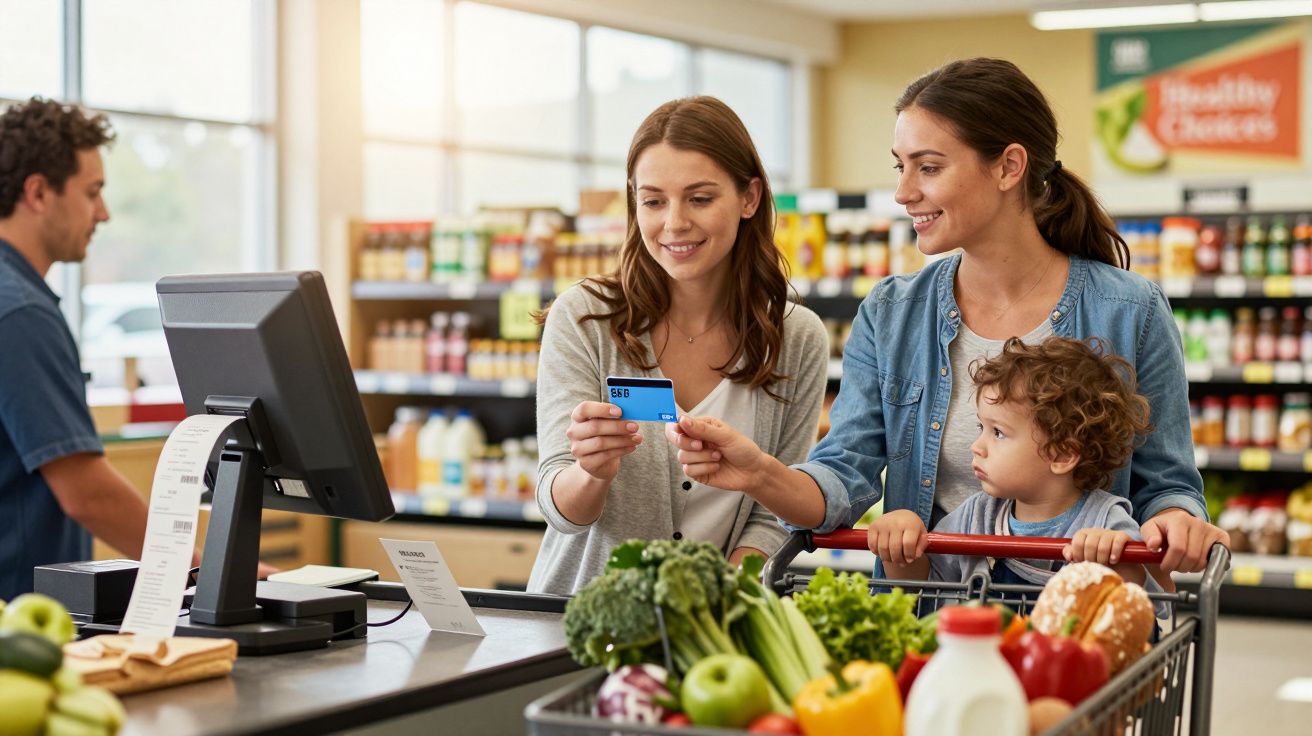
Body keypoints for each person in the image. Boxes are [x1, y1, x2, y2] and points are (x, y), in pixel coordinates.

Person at [668, 58, 1228, 575]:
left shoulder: (1129, 311)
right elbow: (844, 476)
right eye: (901, 168)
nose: (903, 192)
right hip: (935, 621)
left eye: (928, 167)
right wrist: (759, 472)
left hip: (1080, 629)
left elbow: (1167, 485)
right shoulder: (891, 314)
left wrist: (1176, 518)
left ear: (1009, 166)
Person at [527, 96, 829, 595]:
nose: (674, 223)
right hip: (575, 622)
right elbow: (561, 509)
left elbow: (774, 511)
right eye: (653, 201)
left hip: (716, 637)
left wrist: (719, 600)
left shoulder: (796, 337)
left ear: (749, 197)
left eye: (700, 198)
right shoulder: (584, 318)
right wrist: (591, 473)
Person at [873, 335, 1163, 589]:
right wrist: (900, 544)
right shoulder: (977, 515)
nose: (977, 446)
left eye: (998, 432)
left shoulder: (1106, 521)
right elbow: (924, 583)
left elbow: (1146, 597)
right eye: (981, 428)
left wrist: (1115, 561)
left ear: (1061, 454)